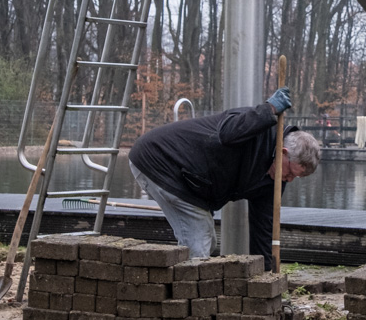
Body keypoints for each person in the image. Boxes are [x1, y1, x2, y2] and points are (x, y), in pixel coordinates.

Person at [128, 89, 321, 271]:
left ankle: (183, 290)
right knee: (198, 243)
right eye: (291, 172)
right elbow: (227, 133)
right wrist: (269, 109)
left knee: (206, 240)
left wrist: (265, 275)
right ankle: (186, 301)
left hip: (188, 179)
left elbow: (264, 226)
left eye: (297, 177)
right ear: (283, 152)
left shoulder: (274, 180)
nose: (290, 179)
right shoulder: (255, 127)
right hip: (159, 160)